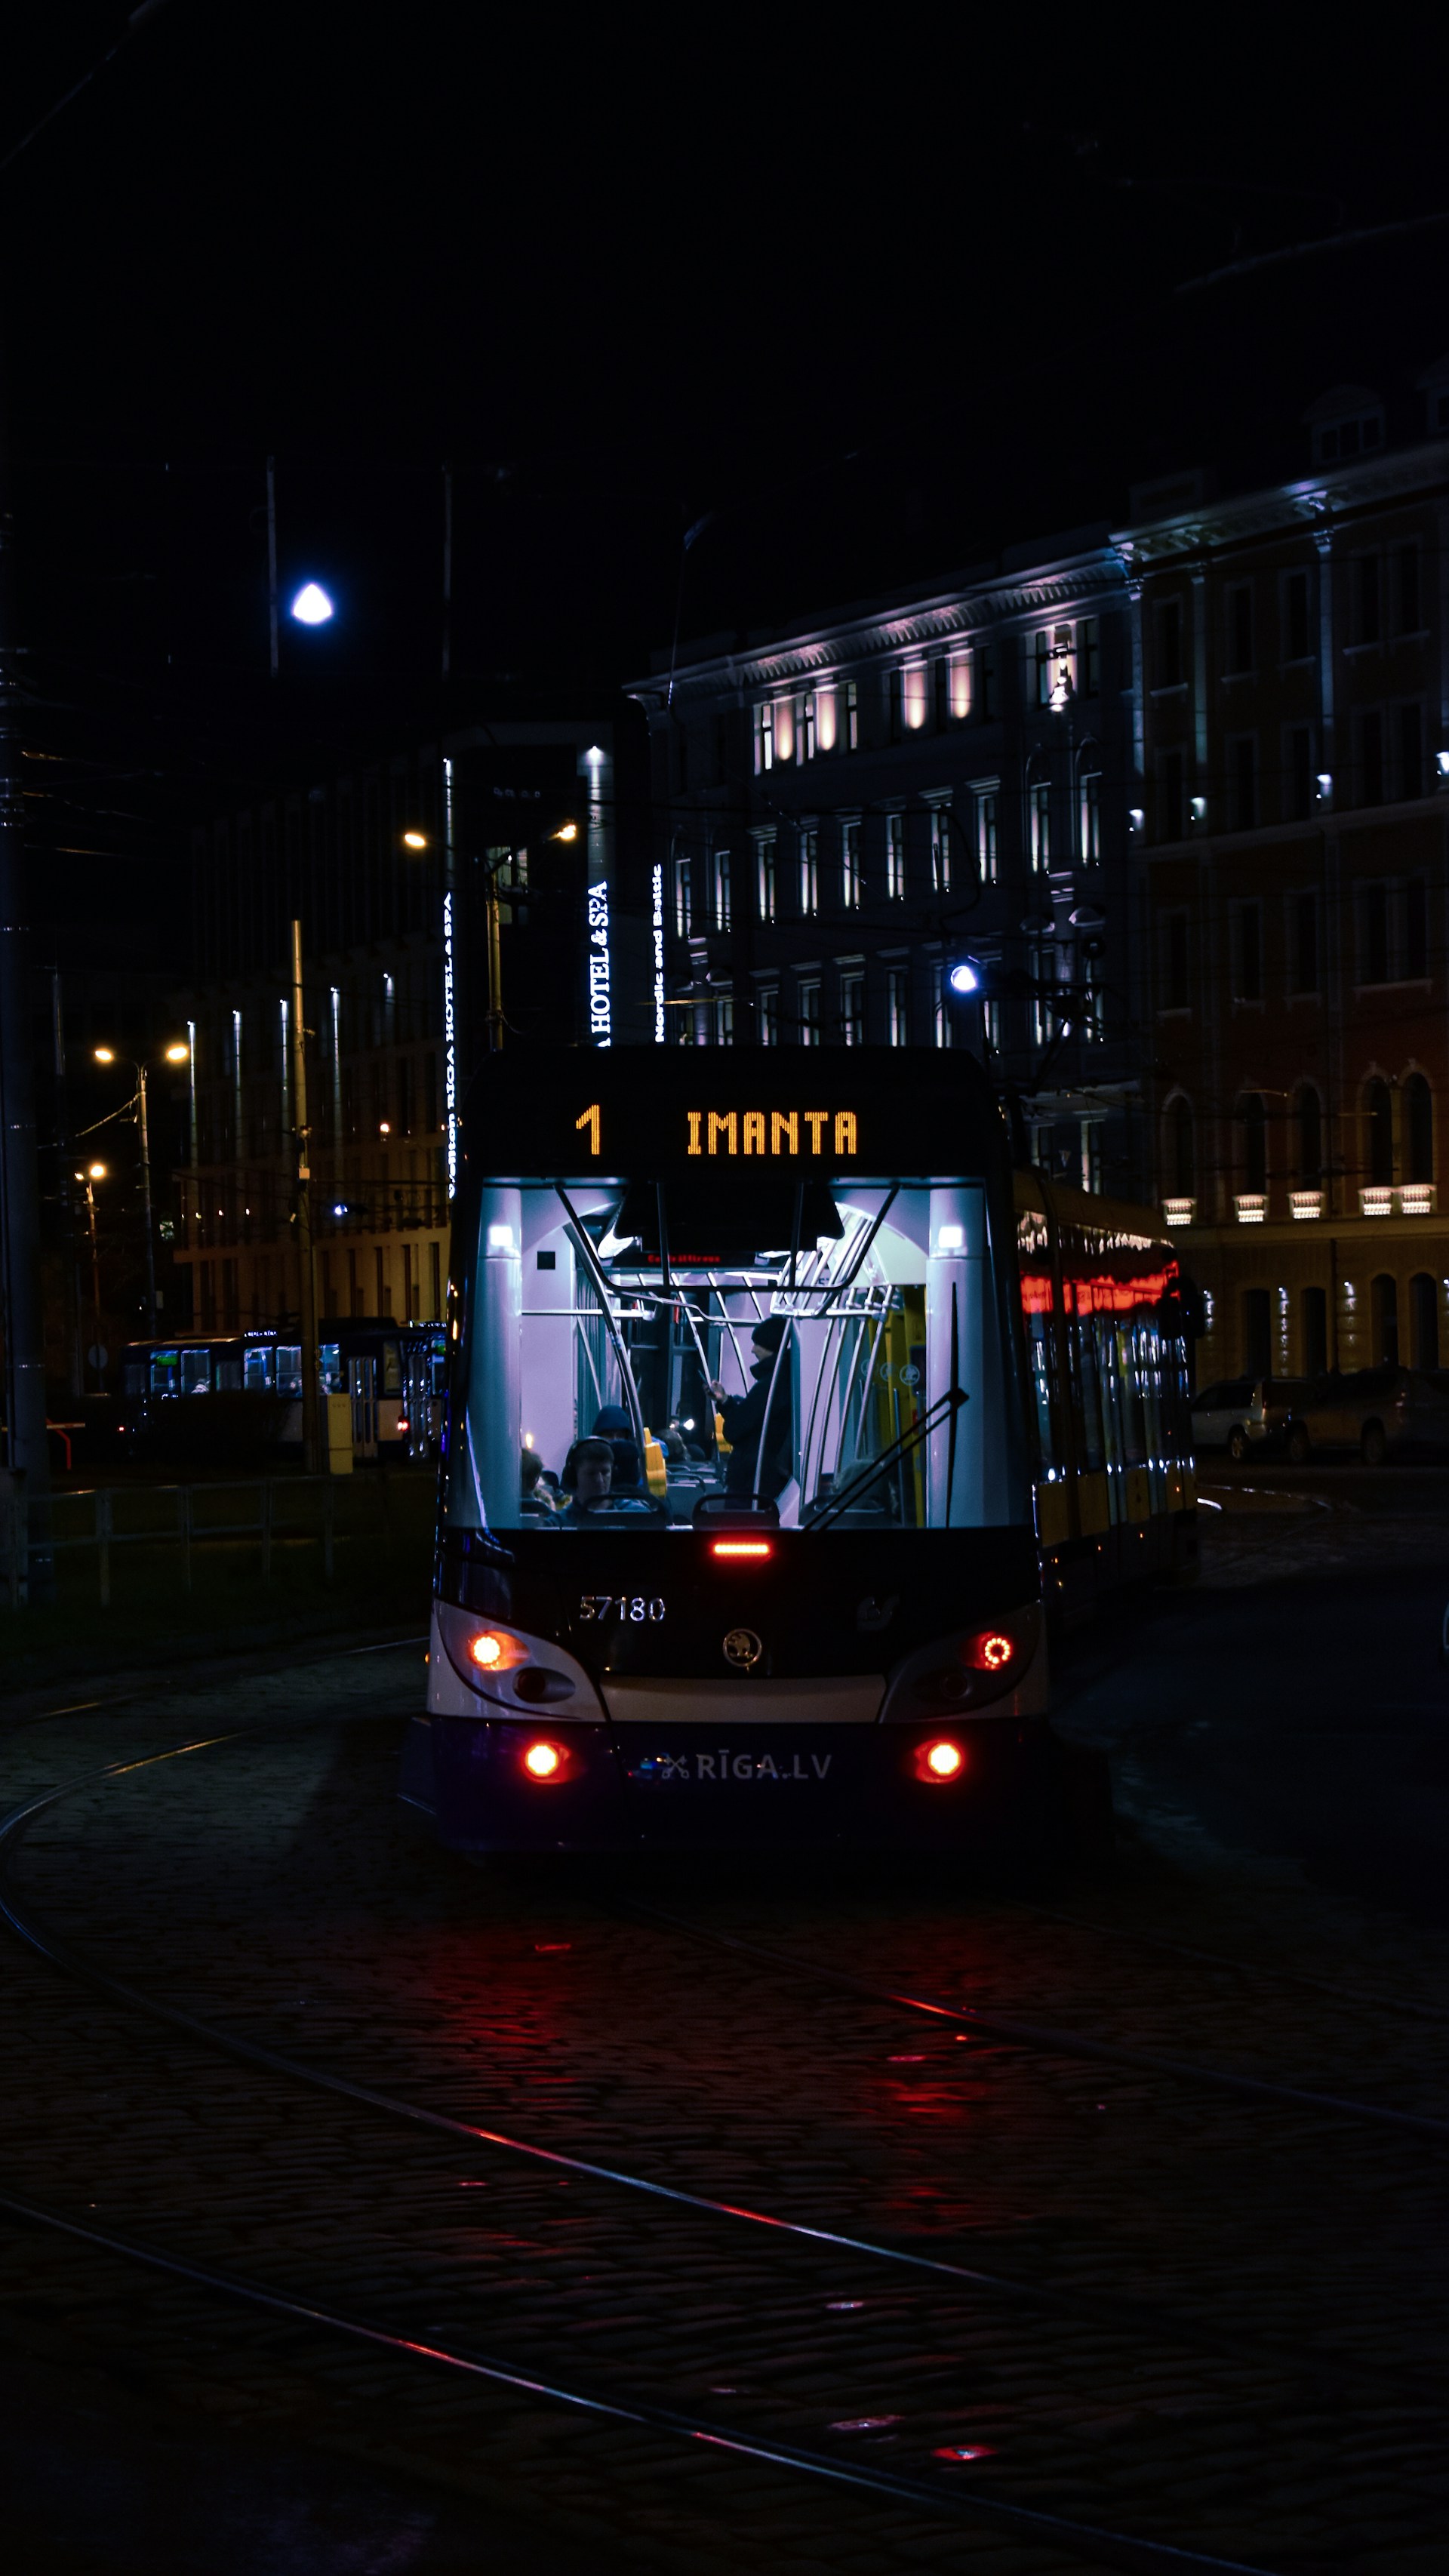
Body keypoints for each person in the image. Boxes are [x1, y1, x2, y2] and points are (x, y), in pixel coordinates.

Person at [709, 1316, 793, 1502]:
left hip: (752, 1479)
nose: (753, 1349)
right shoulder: (785, 1381)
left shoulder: (769, 1386)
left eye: (758, 1344)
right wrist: (726, 1401)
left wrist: (730, 1409)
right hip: (767, 1476)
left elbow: (736, 1429)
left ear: (771, 1346)